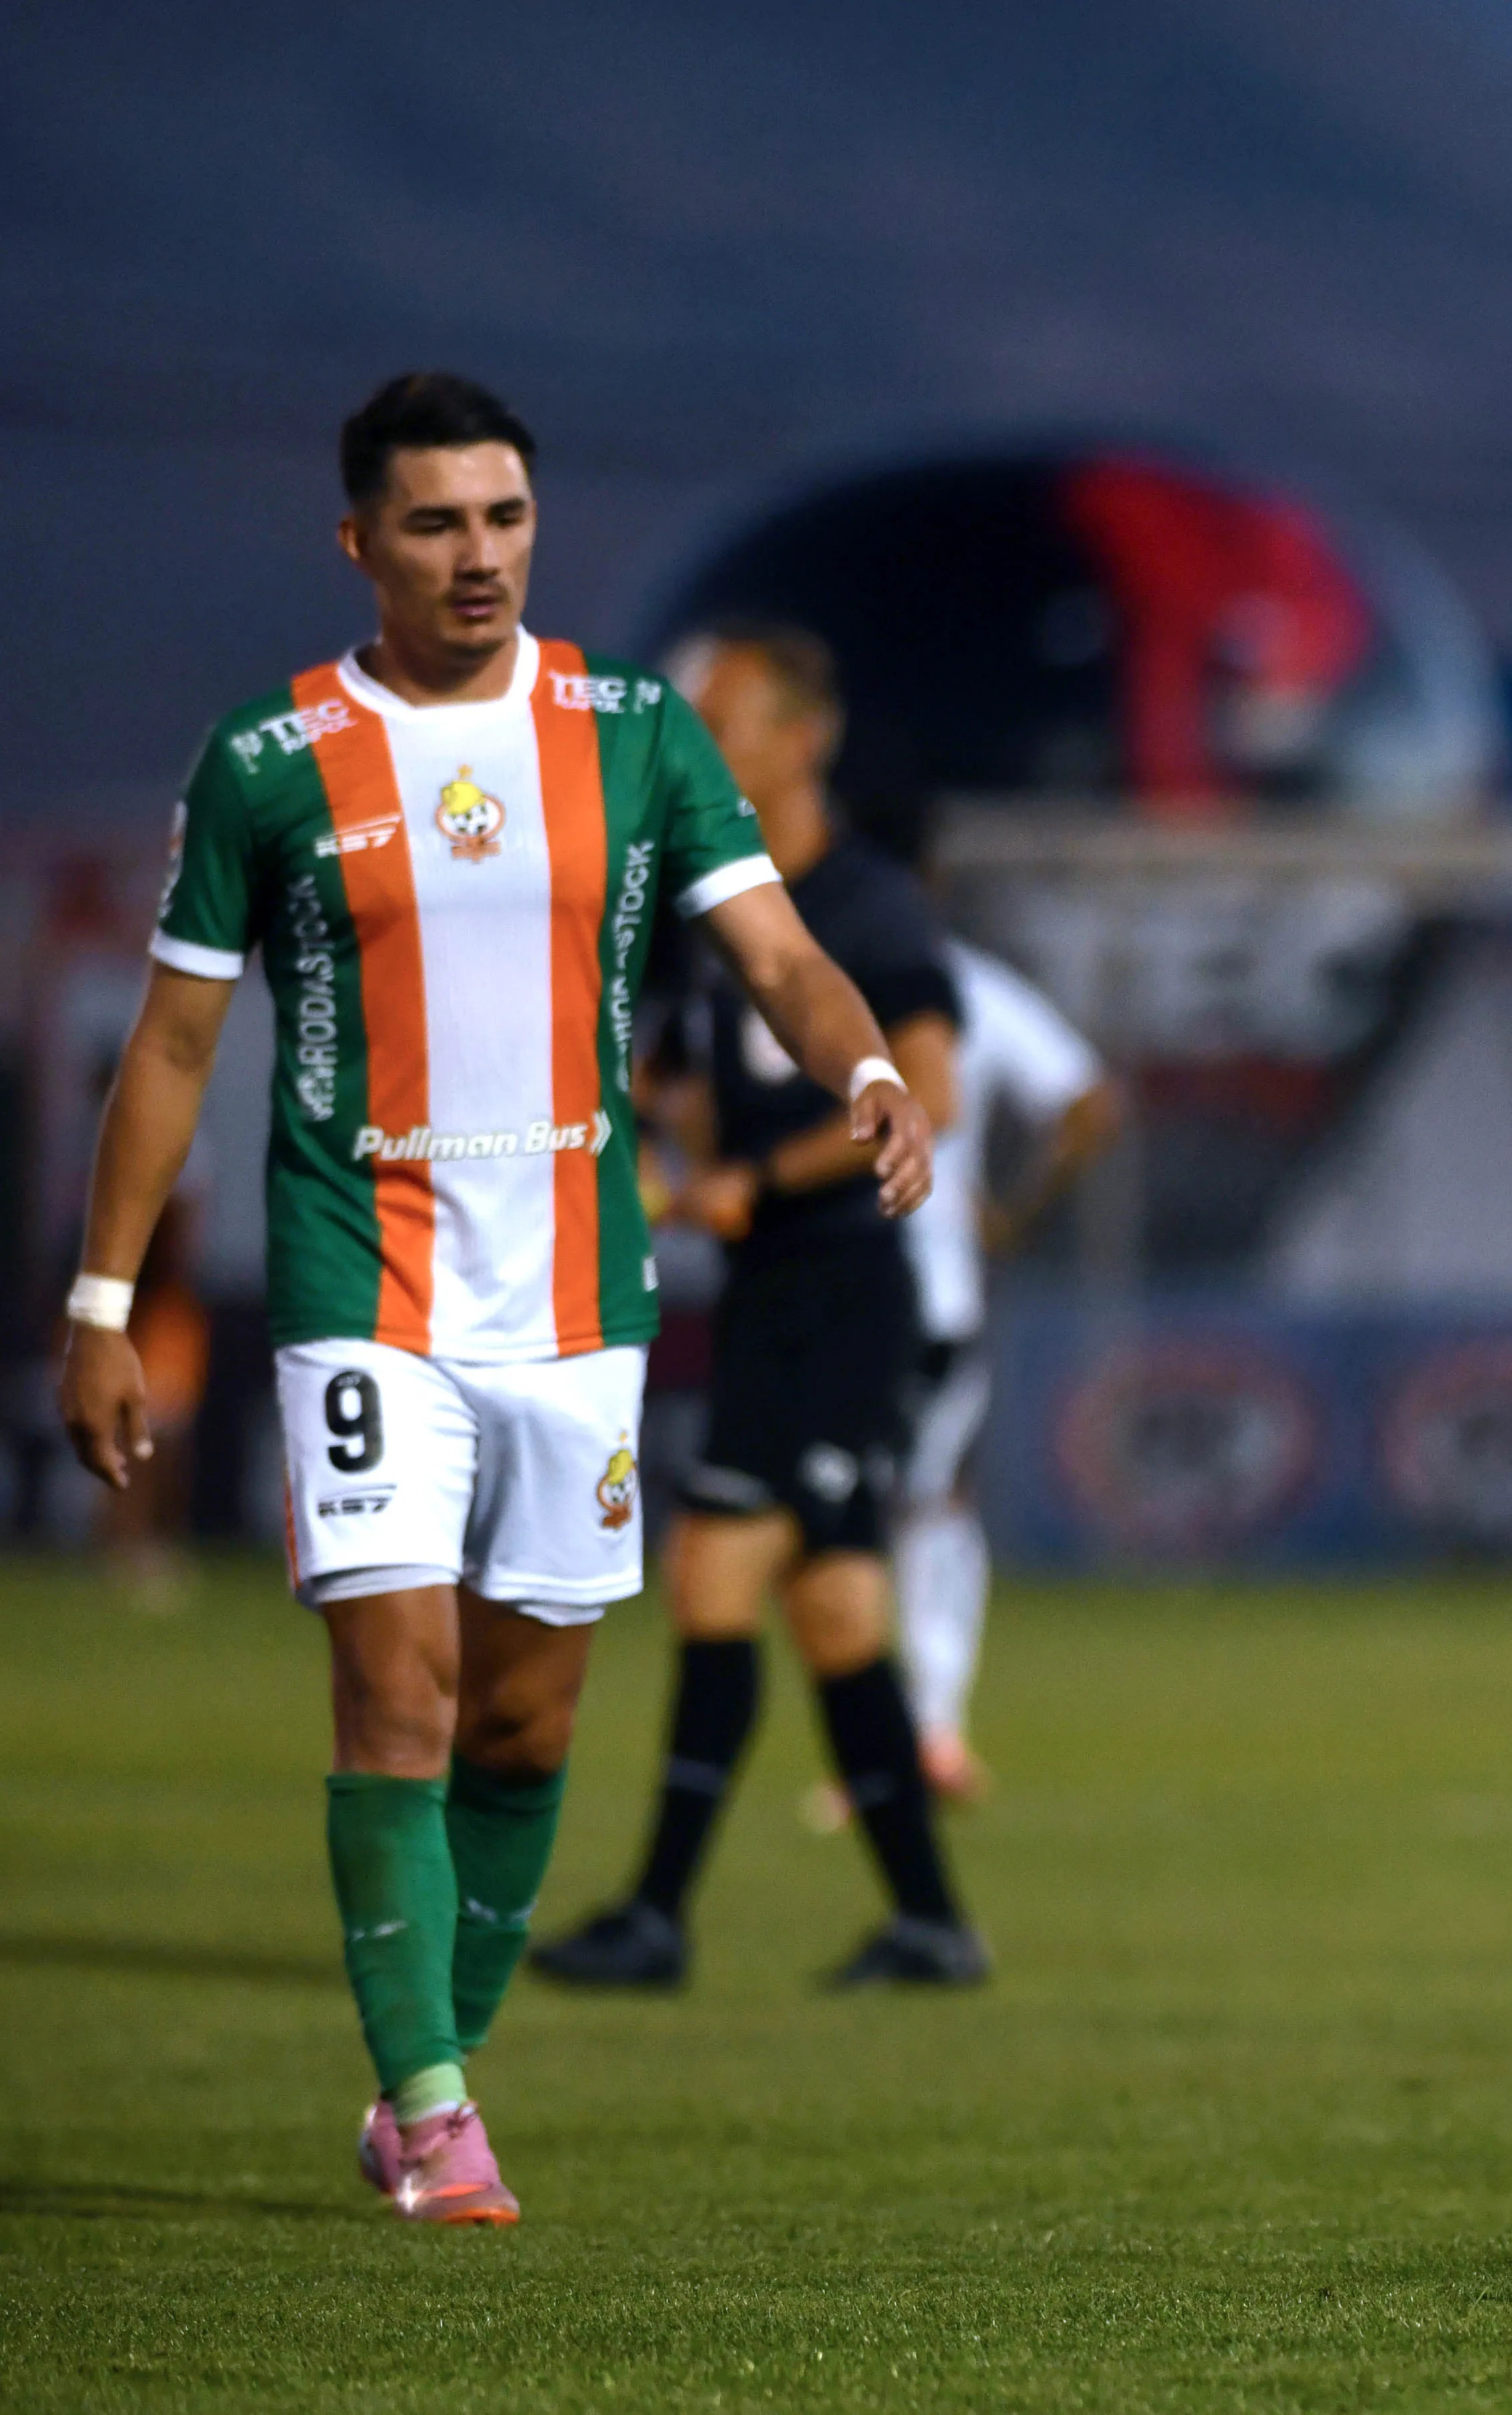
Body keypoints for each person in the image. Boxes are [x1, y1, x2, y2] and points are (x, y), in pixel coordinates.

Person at [54, 374, 935, 2224]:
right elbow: (171, 1045)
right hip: (356, 1286)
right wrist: (100, 1296)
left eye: (507, 516)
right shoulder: (269, 759)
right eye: (440, 522)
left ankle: (427, 2064)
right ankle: (436, 2109)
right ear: (360, 541)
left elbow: (781, 951)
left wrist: (863, 1076)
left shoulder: (633, 734)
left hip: (573, 1299)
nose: (480, 555)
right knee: (401, 1693)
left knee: (525, 1726)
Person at [531, 623, 986, 1993]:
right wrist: (655, 1133)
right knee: (840, 1617)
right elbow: (666, 1072)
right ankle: (931, 1927)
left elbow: (932, 1093)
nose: (700, 751)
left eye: (724, 724)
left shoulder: (863, 905)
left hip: (844, 1292)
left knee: (714, 1572)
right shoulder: (707, 909)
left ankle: (657, 1915)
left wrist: (750, 1176)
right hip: (779, 1291)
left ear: (804, 739)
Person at [885, 938, 1120, 1804]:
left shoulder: (780, 968)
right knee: (930, 1499)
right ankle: (927, 1729)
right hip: (934, 1287)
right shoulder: (961, 979)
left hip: (807, 1282)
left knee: (805, 1521)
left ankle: (892, 1742)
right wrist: (1014, 1209)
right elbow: (1090, 1103)